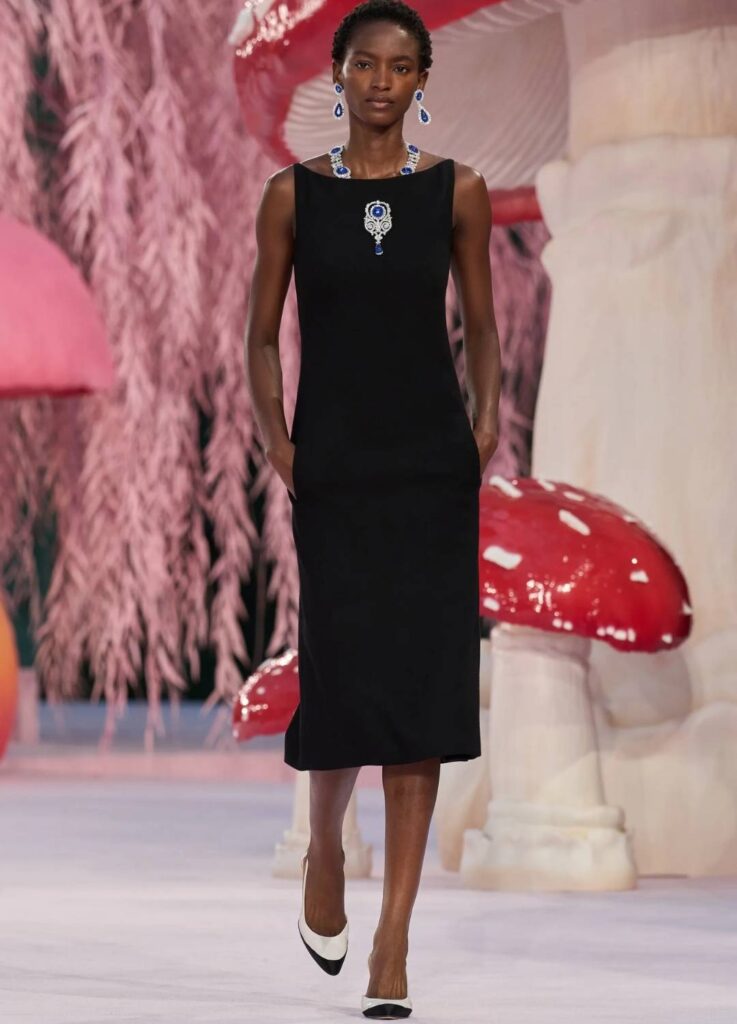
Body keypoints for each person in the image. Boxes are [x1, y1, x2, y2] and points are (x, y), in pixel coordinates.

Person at [245, 1, 500, 1017]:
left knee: (421, 693)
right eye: (364, 64)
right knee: (344, 676)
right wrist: (279, 443)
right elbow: (260, 335)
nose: (381, 82)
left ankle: (392, 939)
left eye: (399, 66)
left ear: (421, 79)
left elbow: (481, 327)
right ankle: (323, 846)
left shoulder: (457, 191)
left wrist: (482, 428)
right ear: (338, 75)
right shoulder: (292, 196)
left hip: (430, 471)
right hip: (335, 472)